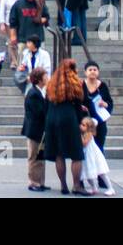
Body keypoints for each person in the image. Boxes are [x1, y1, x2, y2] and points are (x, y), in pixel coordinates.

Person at [43, 58, 89, 192]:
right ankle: (76, 185)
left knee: (59, 154)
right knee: (77, 155)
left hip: (52, 119)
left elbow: (46, 105)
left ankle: (63, 185)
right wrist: (81, 121)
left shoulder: (51, 84)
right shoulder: (75, 84)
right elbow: (78, 106)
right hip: (69, 118)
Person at [21, 68, 49, 192]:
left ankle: (40, 181)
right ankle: (34, 182)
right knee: (34, 156)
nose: (47, 78)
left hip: (39, 129)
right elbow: (39, 112)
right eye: (45, 76)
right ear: (39, 79)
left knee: (41, 156)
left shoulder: (39, 92)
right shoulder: (34, 94)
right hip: (34, 129)